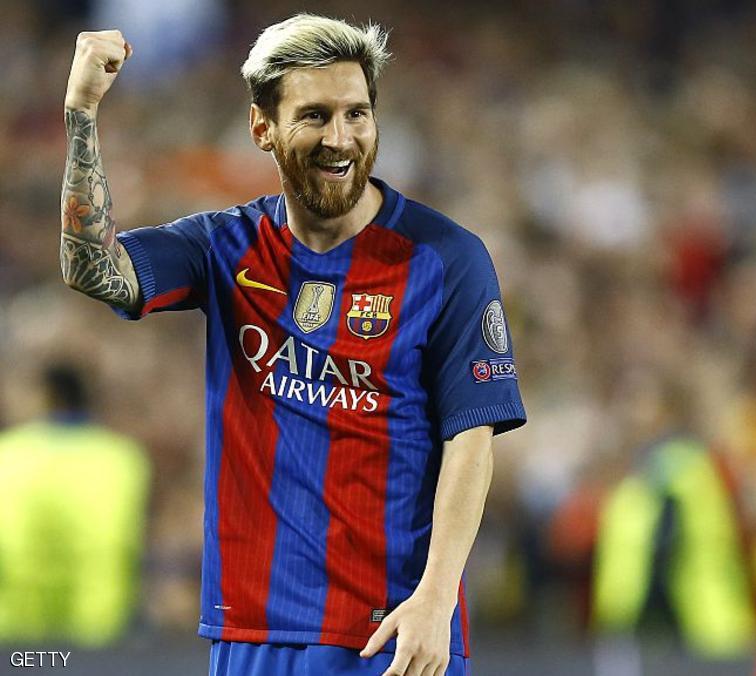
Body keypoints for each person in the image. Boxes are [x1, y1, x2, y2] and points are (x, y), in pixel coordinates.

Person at [59, 13, 526, 676]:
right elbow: (92, 269)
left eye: (357, 114)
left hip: (391, 633)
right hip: (252, 633)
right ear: (262, 129)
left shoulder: (446, 258)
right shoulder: (223, 246)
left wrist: (436, 599)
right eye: (314, 116)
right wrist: (81, 113)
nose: (341, 138)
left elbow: (473, 437)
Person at [0, 362, 149, 647]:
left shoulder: (7, 456)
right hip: (100, 634)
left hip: (14, 635)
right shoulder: (122, 458)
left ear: (46, 396)